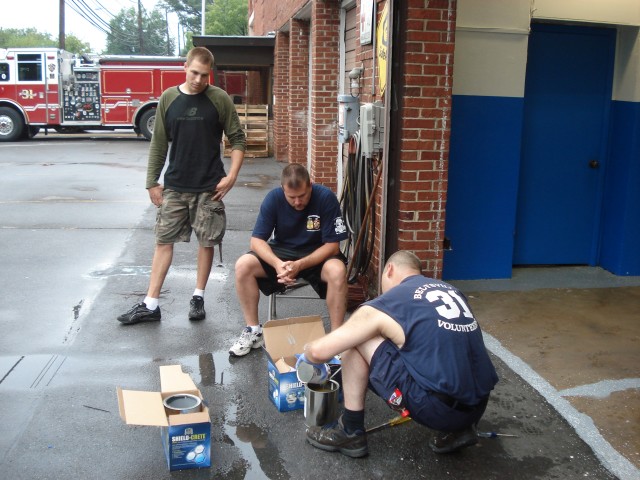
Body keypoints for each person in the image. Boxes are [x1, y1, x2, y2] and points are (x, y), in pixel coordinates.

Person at [297, 250, 499, 458]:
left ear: (389, 270)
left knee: (357, 337)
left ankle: (351, 431)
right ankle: (459, 430)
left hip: (438, 410)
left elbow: (318, 352)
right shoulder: (451, 291)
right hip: (476, 407)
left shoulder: (392, 300)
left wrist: (306, 358)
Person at [117, 47, 246, 325]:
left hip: (209, 186)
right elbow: (159, 143)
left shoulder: (218, 99)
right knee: (163, 241)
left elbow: (237, 139)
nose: (199, 79)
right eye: (194, 72)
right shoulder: (169, 98)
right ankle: (151, 304)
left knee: (206, 242)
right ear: (185, 67)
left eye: (204, 74)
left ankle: (198, 296)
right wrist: (152, 181)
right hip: (175, 185)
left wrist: (232, 176)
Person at [230, 163, 348, 357]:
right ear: (282, 189)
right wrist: (278, 264)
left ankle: (336, 339)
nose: (297, 202)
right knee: (243, 265)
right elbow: (257, 241)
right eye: (291, 197)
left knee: (338, 270)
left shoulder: (326, 197)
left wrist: (300, 264)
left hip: (317, 252)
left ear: (310, 185)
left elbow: (332, 246)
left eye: (302, 196)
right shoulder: (273, 198)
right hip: (283, 253)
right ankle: (253, 331)